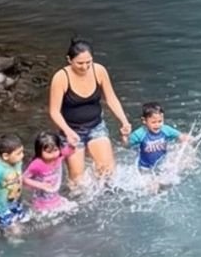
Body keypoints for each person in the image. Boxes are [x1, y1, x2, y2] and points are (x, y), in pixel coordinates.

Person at [48, 38, 132, 188]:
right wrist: (67, 132)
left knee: (108, 173)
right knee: (78, 183)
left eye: (89, 62)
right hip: (71, 130)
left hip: (96, 126)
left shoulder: (99, 71)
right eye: (80, 63)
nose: (85, 67)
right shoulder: (61, 78)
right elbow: (54, 111)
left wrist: (124, 121)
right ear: (69, 60)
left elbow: (111, 98)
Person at [22, 131, 76, 216]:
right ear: (39, 151)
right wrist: (40, 185)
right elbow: (23, 179)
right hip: (42, 201)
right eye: (49, 152)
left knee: (73, 208)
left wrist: (72, 143)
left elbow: (70, 150)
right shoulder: (37, 164)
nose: (54, 155)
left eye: (55, 150)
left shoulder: (59, 156)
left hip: (55, 196)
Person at [0, 134, 28, 232]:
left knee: (23, 222)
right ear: (6, 156)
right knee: (15, 232)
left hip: (15, 202)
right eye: (19, 153)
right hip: (1, 209)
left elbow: (18, 179)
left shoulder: (18, 162)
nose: (22, 155)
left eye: (22, 152)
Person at [128, 101, 190, 172]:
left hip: (163, 165)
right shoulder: (139, 134)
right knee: (153, 183)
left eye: (160, 121)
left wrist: (185, 138)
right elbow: (126, 144)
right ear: (144, 121)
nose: (157, 125)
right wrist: (125, 137)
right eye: (153, 122)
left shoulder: (165, 129)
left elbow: (180, 135)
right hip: (145, 168)